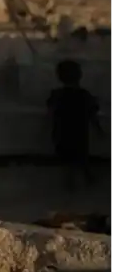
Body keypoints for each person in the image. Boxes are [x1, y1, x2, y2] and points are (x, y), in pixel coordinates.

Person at [46, 60, 103, 190]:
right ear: (80, 75)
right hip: (79, 134)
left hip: (61, 133)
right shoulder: (85, 95)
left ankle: (70, 186)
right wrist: (99, 130)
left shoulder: (56, 94)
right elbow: (92, 116)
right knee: (82, 159)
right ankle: (89, 179)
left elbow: (50, 113)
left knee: (67, 163)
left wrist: (48, 130)